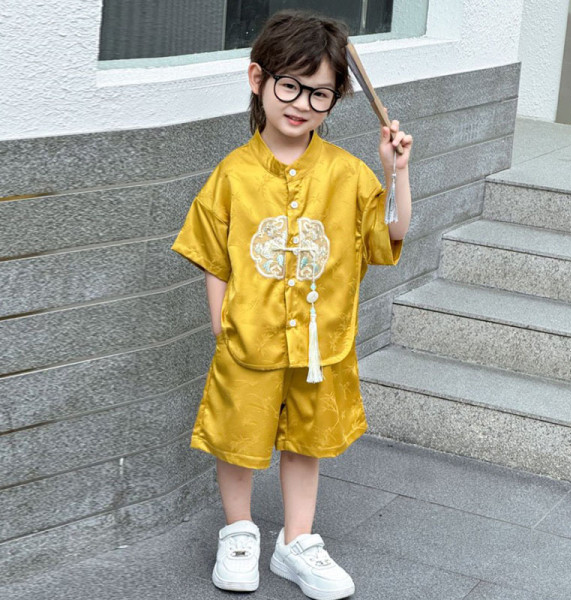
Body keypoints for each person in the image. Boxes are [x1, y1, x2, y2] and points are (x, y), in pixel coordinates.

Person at [171, 9, 412, 600]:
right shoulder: (233, 174)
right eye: (290, 86)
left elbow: (391, 234)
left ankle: (296, 542)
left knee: (306, 441)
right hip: (247, 339)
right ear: (259, 79)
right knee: (238, 437)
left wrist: (396, 173)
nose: (302, 103)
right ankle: (239, 533)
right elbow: (213, 254)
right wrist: (222, 326)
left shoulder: (348, 174)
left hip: (319, 343)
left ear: (334, 100)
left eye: (319, 93)